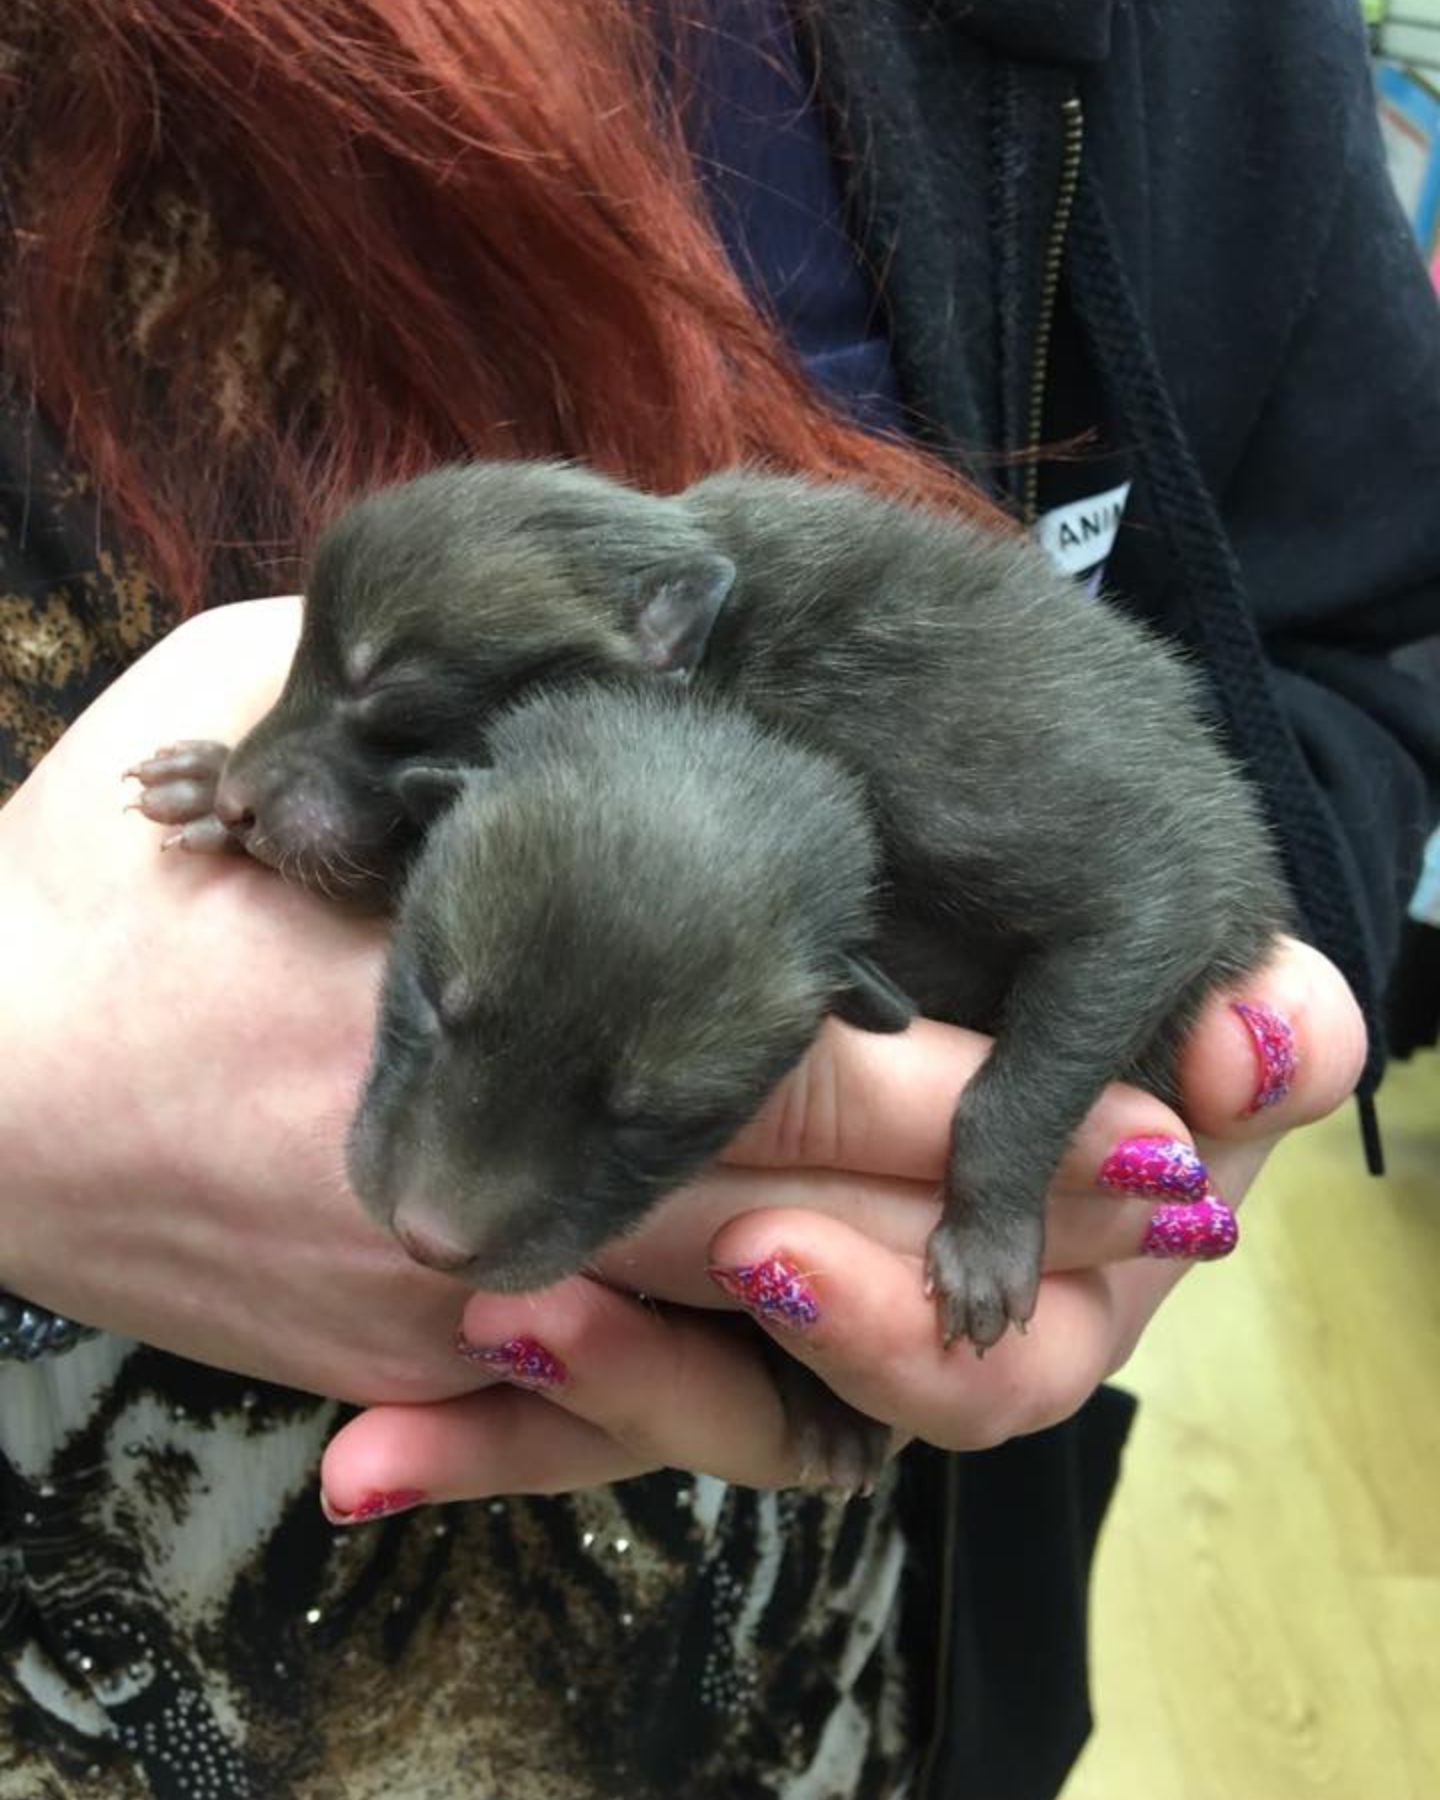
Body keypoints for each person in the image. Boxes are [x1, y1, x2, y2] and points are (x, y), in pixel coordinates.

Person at [0, 2, 1433, 1796]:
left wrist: (1092, 1159)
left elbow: (1355, 652)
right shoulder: (597, 673)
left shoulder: (826, 709)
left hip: (827, 1628)